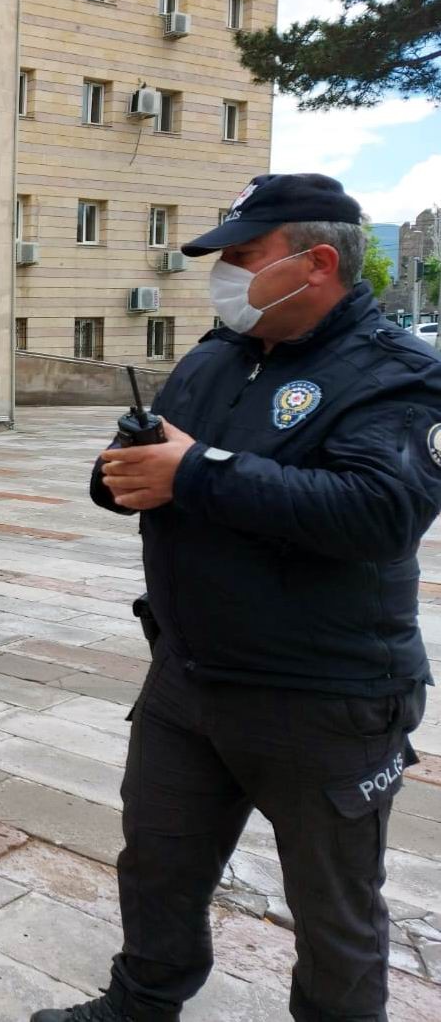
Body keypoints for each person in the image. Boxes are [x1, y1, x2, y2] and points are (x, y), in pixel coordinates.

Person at [34, 174, 439, 1022]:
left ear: (316, 263)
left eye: (241, 257)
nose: (222, 274)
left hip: (326, 699)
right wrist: (126, 476)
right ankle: (139, 1004)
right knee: (156, 864)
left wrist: (194, 472)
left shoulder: (399, 375)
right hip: (188, 678)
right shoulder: (214, 355)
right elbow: (125, 470)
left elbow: (378, 512)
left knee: (334, 915)